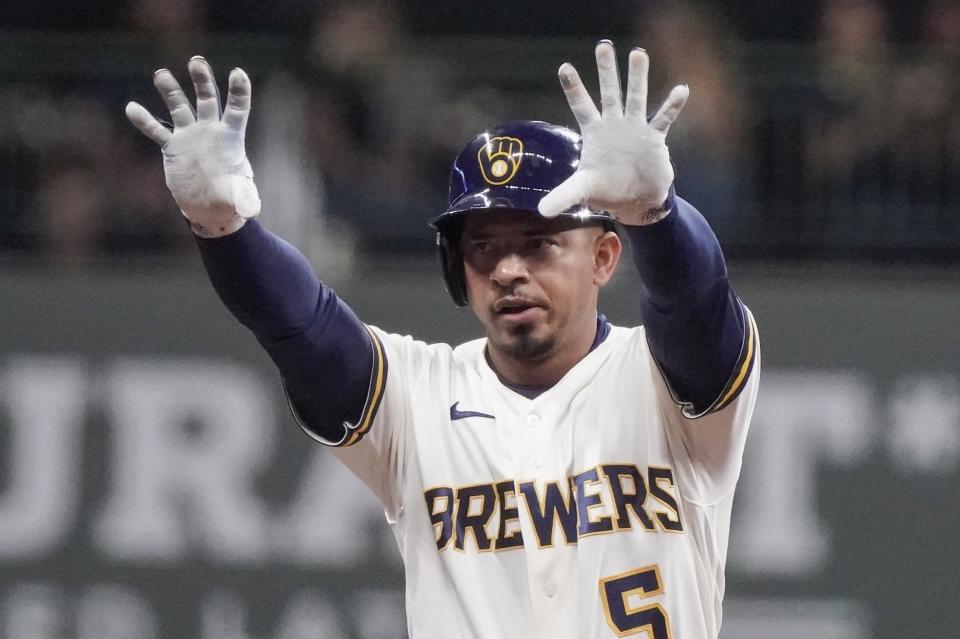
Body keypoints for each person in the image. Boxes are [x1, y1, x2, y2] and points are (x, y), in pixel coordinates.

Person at [126, 40, 759, 639]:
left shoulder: (664, 380)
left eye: (538, 244)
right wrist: (224, 230)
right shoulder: (418, 396)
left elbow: (696, 304)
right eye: (484, 246)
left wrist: (657, 213)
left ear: (602, 258)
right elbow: (301, 326)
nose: (508, 269)